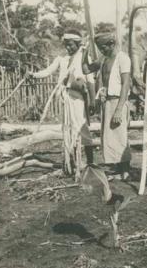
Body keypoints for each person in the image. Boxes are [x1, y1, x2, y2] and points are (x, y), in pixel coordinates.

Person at [28, 29, 95, 177]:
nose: (68, 48)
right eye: (66, 45)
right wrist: (33, 75)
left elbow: (89, 80)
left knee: (81, 129)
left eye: (71, 45)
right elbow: (48, 71)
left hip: (78, 99)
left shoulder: (84, 58)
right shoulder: (62, 59)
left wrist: (92, 100)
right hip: (65, 98)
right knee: (67, 129)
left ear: (78, 44)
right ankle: (70, 164)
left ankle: (90, 164)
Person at [82, 32, 131, 180]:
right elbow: (86, 69)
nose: (101, 51)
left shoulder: (123, 58)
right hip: (107, 101)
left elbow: (125, 84)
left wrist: (119, 109)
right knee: (110, 137)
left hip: (118, 101)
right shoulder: (104, 59)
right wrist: (84, 52)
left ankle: (126, 171)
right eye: (99, 48)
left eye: (103, 47)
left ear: (111, 44)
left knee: (120, 135)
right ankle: (117, 169)